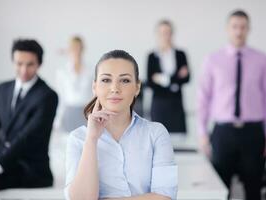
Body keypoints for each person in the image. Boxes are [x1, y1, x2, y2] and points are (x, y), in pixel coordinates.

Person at [65, 50, 177, 200]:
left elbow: (165, 197)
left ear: (137, 87)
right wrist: (91, 139)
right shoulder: (78, 138)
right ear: (94, 87)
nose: (115, 88)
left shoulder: (156, 133)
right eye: (106, 80)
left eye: (124, 80)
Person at [197, 10, 266, 200]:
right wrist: (202, 132)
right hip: (223, 133)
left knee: (253, 189)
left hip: (253, 133)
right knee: (219, 191)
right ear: (227, 29)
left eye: (243, 27)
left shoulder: (261, 59)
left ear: (248, 29)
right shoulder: (213, 60)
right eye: (235, 27)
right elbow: (203, 98)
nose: (239, 31)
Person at [0, 39, 58, 190]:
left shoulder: (48, 96)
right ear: (13, 62)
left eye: (30, 64)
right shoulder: (0, 89)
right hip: (2, 157)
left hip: (29, 167)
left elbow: (27, 136)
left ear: (39, 64)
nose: (23, 70)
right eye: (19, 63)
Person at [147, 20, 190, 134]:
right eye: (162, 33)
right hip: (159, 104)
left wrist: (162, 79)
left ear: (172, 34)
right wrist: (175, 79)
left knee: (178, 141)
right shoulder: (152, 56)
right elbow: (150, 83)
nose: (165, 36)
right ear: (157, 35)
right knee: (158, 138)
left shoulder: (181, 54)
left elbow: (186, 78)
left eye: (168, 32)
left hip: (177, 104)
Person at [56, 36, 92, 132]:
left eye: (79, 47)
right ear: (69, 49)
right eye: (73, 48)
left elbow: (95, 95)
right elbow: (61, 97)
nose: (76, 51)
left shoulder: (91, 71)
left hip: (86, 113)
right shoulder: (62, 72)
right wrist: (57, 120)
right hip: (69, 113)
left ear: (83, 49)